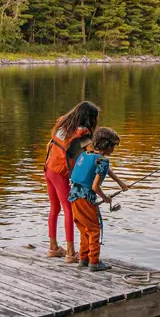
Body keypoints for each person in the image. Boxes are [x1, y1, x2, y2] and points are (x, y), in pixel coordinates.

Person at [44, 101, 99, 262]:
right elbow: (94, 155)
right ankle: (70, 253)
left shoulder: (62, 123)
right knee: (69, 209)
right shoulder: (82, 133)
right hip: (60, 173)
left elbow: (50, 144)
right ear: (89, 118)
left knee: (54, 208)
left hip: (48, 169)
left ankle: (53, 248)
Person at [68, 127, 128, 271]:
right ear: (106, 145)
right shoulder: (103, 161)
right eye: (113, 145)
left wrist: (120, 183)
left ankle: (83, 258)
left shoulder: (86, 154)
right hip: (86, 198)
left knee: (84, 229)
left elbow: (104, 168)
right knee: (94, 229)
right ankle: (94, 262)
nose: (114, 149)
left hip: (74, 196)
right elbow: (95, 187)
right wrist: (106, 198)